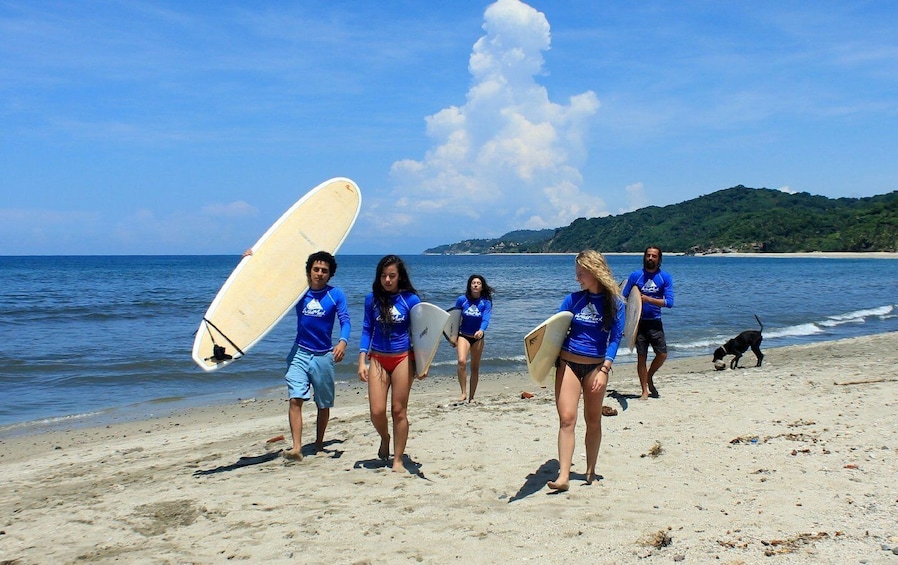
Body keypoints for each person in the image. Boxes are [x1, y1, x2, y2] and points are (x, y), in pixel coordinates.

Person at [548, 250, 624, 491]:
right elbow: (553, 331)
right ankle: (563, 477)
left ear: (594, 272)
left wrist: (605, 369)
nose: (577, 278)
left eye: (581, 273)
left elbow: (615, 338)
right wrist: (545, 362)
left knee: (592, 420)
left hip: (596, 366)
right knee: (567, 419)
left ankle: (590, 470)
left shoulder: (616, 304)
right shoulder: (573, 300)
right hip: (569, 363)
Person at [281, 251, 351, 461]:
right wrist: (252, 258)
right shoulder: (299, 293)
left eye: (324, 271)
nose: (319, 274)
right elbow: (271, 284)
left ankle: (319, 443)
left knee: (323, 404)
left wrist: (342, 342)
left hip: (323, 356)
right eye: (316, 269)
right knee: (295, 399)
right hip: (299, 352)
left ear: (330, 274)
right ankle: (296, 447)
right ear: (309, 271)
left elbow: (345, 321)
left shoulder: (335, 294)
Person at [357, 255, 422, 473]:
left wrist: (424, 364)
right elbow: (367, 329)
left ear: (399, 277)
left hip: (402, 357)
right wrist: (361, 360)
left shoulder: (411, 300)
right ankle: (385, 438)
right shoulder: (371, 300)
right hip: (378, 357)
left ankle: (398, 460)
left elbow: (422, 334)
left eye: (391, 276)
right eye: (383, 276)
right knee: (376, 411)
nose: (387, 280)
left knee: (398, 411)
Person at [622, 246, 675, 400]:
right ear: (644, 257)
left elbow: (669, 302)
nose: (650, 258)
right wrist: (626, 324)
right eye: (648, 255)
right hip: (638, 323)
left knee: (662, 354)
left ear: (659, 259)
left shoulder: (664, 278)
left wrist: (648, 299)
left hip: (655, 322)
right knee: (641, 357)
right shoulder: (635, 276)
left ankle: (650, 376)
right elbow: (624, 298)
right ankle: (644, 390)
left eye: (654, 256)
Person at [452, 274, 494, 403]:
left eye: (478, 283)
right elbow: (454, 318)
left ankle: (472, 397)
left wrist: (481, 330)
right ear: (469, 285)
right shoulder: (462, 300)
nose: (476, 285)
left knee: (475, 367)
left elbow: (486, 318)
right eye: (473, 283)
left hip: (478, 338)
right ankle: (463, 393)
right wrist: (452, 337)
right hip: (463, 335)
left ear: (482, 287)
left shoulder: (485, 302)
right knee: (461, 361)